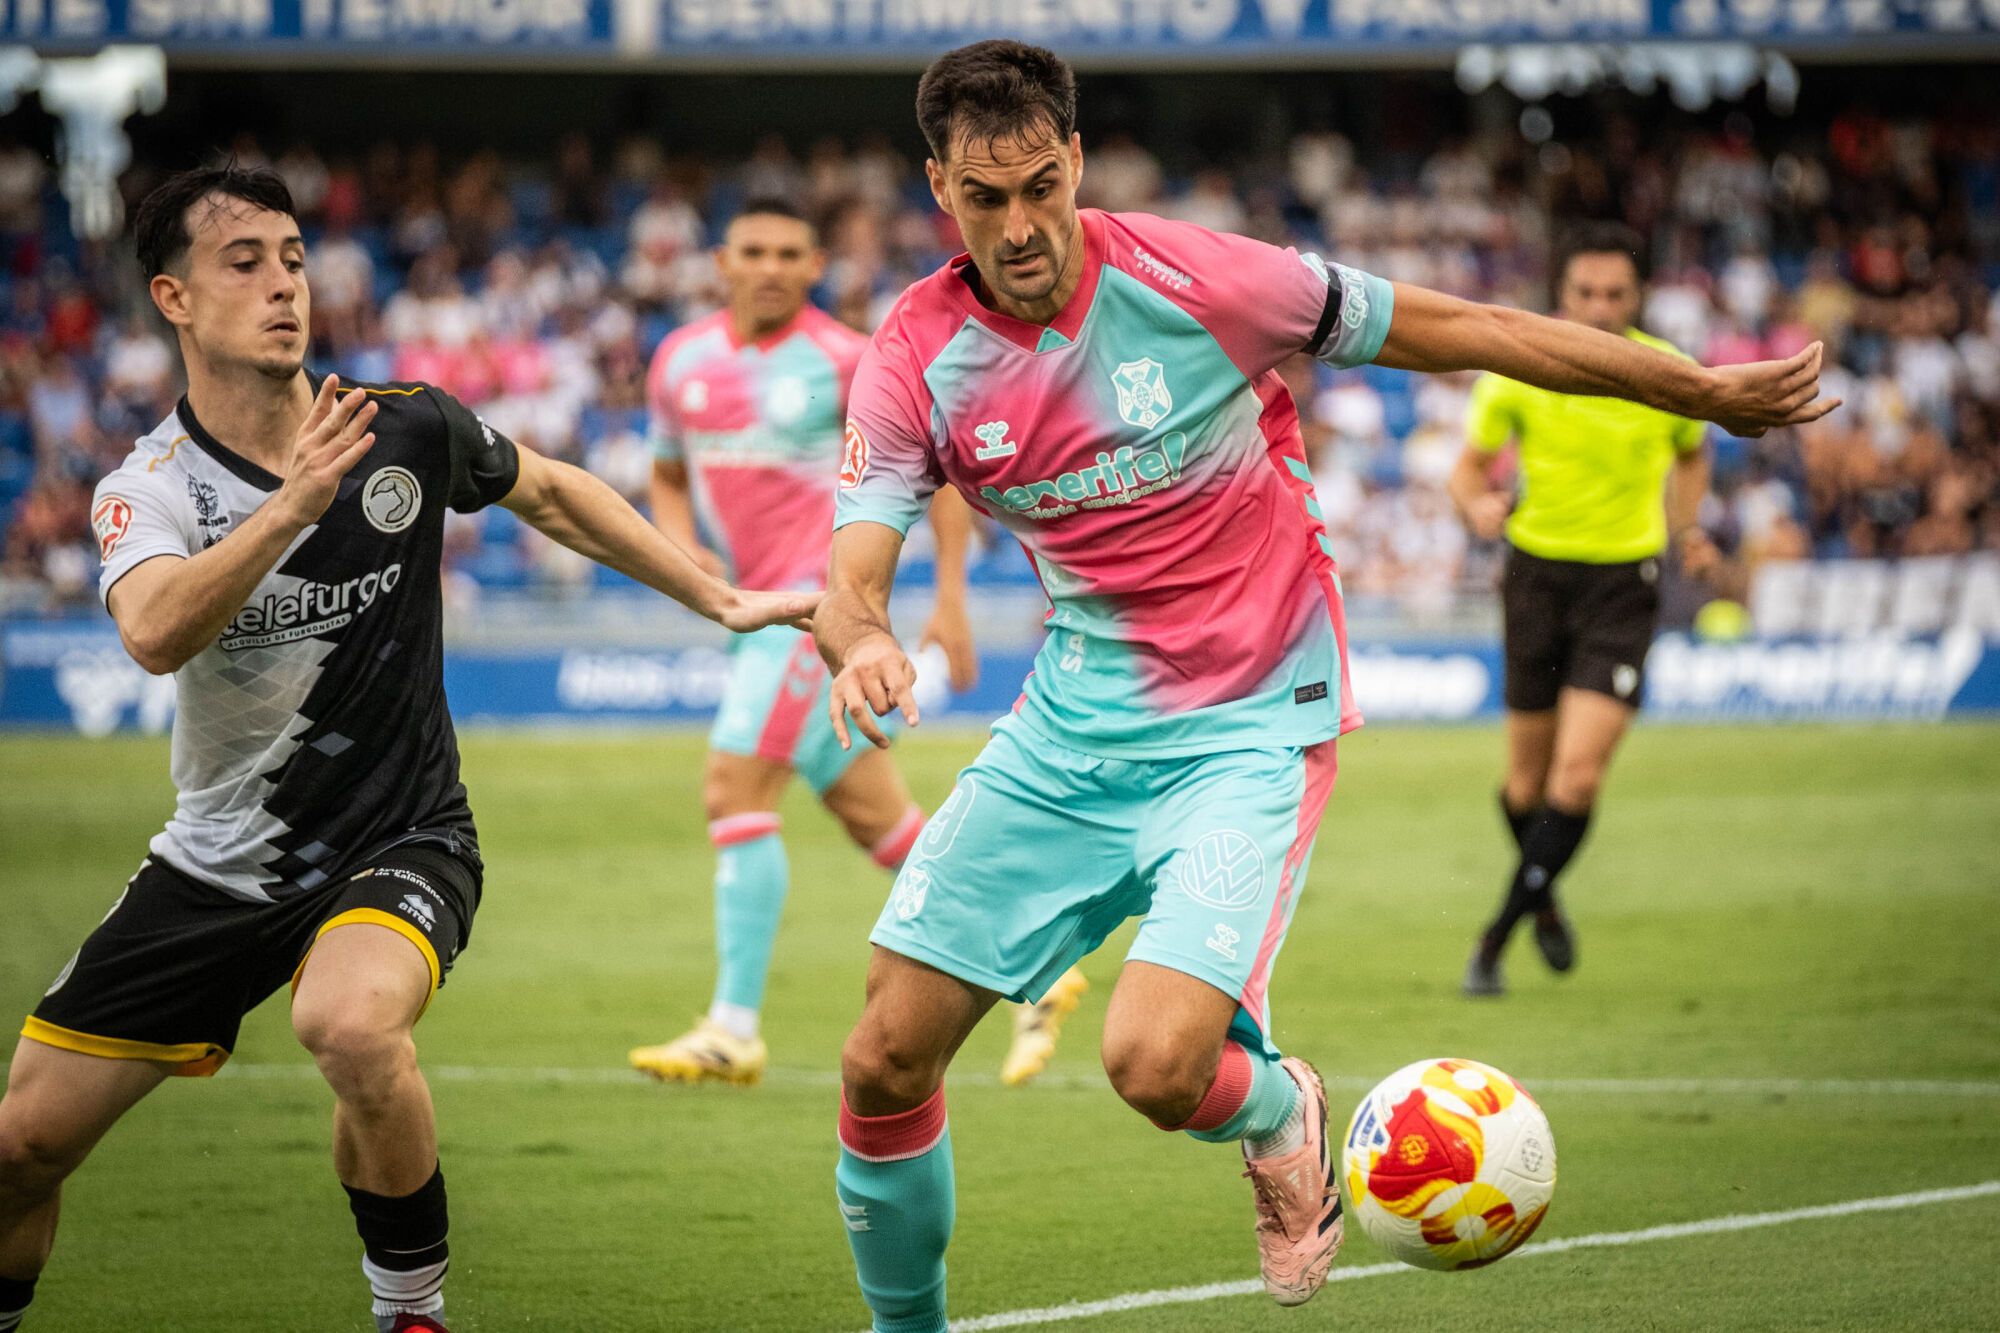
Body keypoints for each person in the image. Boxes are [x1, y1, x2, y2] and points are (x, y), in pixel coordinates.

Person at [814, 41, 1835, 1332]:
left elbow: (1480, 330)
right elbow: (850, 576)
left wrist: (1691, 388)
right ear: (938, 190)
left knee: (1152, 1059)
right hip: (1071, 729)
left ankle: (1281, 1108)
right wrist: (860, 639)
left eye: (1038, 187)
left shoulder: (1210, 282)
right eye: (982, 198)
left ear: (1075, 163)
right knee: (882, 1054)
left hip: (1253, 725)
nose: (1019, 226)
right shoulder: (915, 353)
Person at [0, 165, 813, 1333]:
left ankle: (410, 1314)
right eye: (246, 262)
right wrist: (288, 507)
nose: (286, 282)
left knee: (349, 1023)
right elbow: (153, 632)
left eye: (292, 256)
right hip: (220, 862)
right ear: (173, 298)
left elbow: (554, 493)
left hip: (403, 837)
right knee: (23, 1146)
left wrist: (715, 596)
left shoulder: (407, 423)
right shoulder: (148, 489)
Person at [625, 200, 1090, 1088]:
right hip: (752, 615)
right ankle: (1040, 967)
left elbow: (939, 476)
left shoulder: (848, 361)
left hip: (818, 614)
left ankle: (732, 1024)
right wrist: (686, 548)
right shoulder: (679, 360)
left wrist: (949, 597)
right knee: (879, 818)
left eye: (788, 252)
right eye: (752, 249)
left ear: (814, 267)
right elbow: (668, 473)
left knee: (733, 787)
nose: (767, 265)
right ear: (722, 260)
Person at [1448, 222, 1721, 997]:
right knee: (1523, 788)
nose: (1599, 308)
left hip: (1622, 587)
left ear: (1638, 299)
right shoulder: (1518, 367)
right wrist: (1476, 505)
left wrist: (1689, 528)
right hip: (1534, 578)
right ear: (1560, 295)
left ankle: (1494, 938)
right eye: (1584, 293)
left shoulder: (1668, 374)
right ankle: (1545, 901)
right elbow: (1467, 471)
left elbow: (1694, 453)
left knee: (1576, 779)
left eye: (1615, 294)